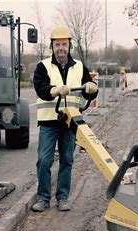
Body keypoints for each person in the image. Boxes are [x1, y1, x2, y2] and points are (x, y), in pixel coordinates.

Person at [31, 25, 98, 212]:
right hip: (49, 123)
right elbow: (41, 88)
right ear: (51, 47)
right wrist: (54, 90)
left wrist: (93, 88)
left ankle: (62, 197)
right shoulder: (42, 67)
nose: (61, 48)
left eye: (64, 44)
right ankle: (43, 198)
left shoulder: (79, 67)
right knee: (44, 161)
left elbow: (88, 90)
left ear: (70, 46)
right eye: (57, 44)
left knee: (67, 160)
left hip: (71, 122)